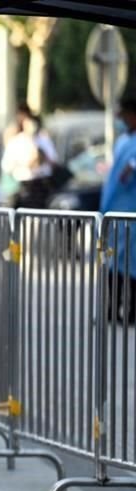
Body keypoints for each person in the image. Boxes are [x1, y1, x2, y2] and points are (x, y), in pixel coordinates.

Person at [100, 98, 136, 323]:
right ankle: (112, 309)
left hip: (131, 215)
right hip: (114, 213)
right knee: (112, 262)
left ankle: (131, 311)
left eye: (125, 115)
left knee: (131, 265)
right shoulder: (124, 141)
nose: (122, 120)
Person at [0, 107, 57, 209]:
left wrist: (41, 156)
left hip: (42, 184)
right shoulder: (16, 142)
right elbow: (7, 166)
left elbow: (53, 161)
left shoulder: (43, 140)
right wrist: (25, 164)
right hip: (24, 186)